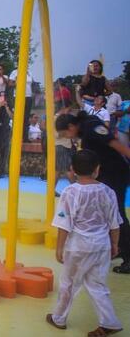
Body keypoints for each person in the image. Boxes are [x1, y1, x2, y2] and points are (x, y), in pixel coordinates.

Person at [46, 150, 123, 337]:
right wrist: (114, 244)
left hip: (78, 246)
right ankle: (109, 321)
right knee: (97, 284)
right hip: (101, 245)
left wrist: (59, 247)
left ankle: (59, 318)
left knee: (68, 283)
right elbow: (114, 223)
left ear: (72, 169)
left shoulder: (70, 192)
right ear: (97, 169)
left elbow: (64, 224)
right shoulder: (108, 191)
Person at [56, 111, 130, 274]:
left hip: (115, 173)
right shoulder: (84, 130)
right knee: (108, 213)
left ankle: (128, 256)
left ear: (71, 126)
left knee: (116, 214)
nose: (67, 137)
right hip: (106, 174)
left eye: (65, 133)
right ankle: (118, 248)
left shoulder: (91, 127)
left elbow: (115, 143)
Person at [8, 66, 35, 142]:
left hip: (28, 97)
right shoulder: (15, 72)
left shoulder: (29, 72)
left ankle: (25, 137)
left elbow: (32, 84)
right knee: (18, 117)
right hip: (18, 96)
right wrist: (16, 82)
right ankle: (16, 136)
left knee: (26, 117)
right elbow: (10, 84)